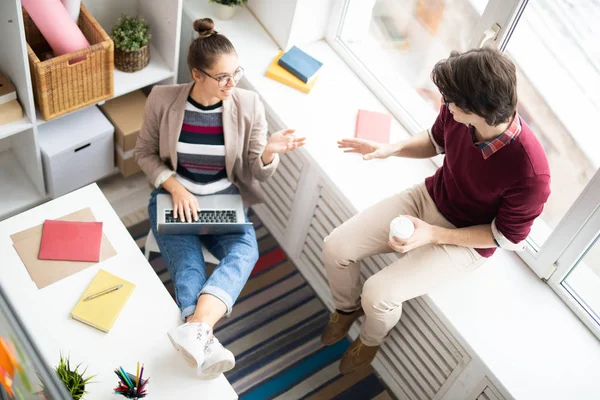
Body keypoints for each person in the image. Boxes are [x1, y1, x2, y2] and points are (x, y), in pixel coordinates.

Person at [321, 47, 551, 374]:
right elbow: (434, 141)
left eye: (451, 100)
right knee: (336, 248)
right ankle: (346, 310)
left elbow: (506, 237)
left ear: (478, 108)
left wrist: (433, 234)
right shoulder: (459, 116)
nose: (444, 103)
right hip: (429, 198)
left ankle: (369, 342)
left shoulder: (531, 173)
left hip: (467, 242)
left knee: (378, 294)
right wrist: (391, 149)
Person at [134, 18, 305, 379]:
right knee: (189, 266)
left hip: (223, 198)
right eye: (223, 77)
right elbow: (144, 154)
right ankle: (204, 336)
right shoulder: (163, 100)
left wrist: (270, 151)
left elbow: (257, 171)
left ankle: (196, 330)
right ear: (197, 74)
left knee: (246, 250)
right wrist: (175, 186)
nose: (233, 83)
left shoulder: (249, 104)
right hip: (174, 197)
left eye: (236, 73)